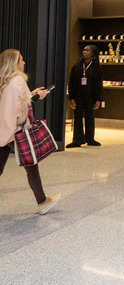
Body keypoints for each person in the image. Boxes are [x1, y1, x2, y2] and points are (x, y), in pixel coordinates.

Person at [0, 49, 60, 215]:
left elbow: (17, 102)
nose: (24, 62)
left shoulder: (7, 81)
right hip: (12, 131)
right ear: (14, 63)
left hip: (8, 130)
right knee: (30, 165)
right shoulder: (17, 81)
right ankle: (42, 201)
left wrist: (34, 94)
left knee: (31, 165)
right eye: (21, 59)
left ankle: (42, 201)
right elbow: (17, 109)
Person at [67, 44, 104, 148]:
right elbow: (71, 83)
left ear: (93, 54)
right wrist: (71, 98)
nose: (84, 52)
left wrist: (98, 99)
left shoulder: (97, 68)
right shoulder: (76, 66)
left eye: (87, 50)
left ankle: (90, 139)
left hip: (91, 97)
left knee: (90, 117)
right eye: (83, 50)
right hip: (78, 96)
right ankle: (77, 140)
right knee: (77, 118)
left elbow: (99, 85)